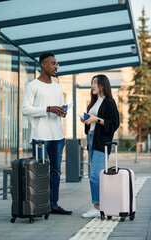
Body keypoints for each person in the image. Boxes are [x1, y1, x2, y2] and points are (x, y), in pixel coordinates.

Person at [22, 52, 72, 215]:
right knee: (39, 172)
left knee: (56, 172)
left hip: (58, 136)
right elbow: (25, 110)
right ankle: (38, 204)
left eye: (57, 64)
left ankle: (53, 204)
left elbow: (56, 108)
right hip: (40, 137)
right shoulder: (32, 85)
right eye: (53, 63)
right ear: (43, 65)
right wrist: (48, 109)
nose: (56, 67)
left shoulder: (58, 87)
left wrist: (61, 111)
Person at [80, 74, 119, 218]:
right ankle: (100, 205)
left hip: (102, 142)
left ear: (103, 85)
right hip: (92, 139)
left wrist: (97, 119)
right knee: (97, 174)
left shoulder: (109, 102)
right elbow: (93, 123)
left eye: (96, 82)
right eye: (92, 82)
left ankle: (97, 207)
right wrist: (87, 121)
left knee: (95, 175)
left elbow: (114, 123)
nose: (93, 85)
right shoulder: (93, 102)